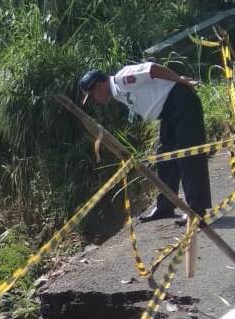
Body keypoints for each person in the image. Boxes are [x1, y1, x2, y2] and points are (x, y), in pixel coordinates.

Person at [79, 63, 212, 225]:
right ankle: (165, 206)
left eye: (92, 96)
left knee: (188, 157)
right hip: (169, 112)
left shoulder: (122, 79)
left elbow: (152, 69)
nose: (95, 101)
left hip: (182, 103)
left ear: (99, 86)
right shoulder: (118, 92)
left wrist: (180, 80)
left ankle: (196, 211)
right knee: (164, 158)